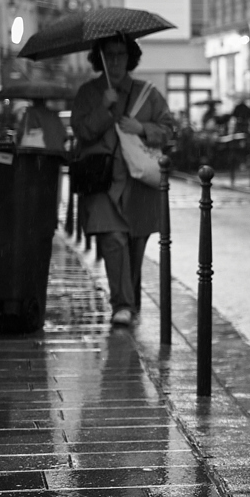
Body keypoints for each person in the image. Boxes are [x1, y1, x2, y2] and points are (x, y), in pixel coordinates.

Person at [71, 33, 176, 326]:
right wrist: (104, 109)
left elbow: (169, 130)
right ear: (99, 58)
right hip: (102, 182)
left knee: (134, 246)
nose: (116, 61)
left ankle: (130, 302)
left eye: (121, 54)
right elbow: (82, 131)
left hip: (138, 185)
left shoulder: (148, 93)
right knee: (113, 241)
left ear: (130, 57)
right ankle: (123, 304)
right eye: (110, 54)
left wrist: (141, 127)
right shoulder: (88, 93)